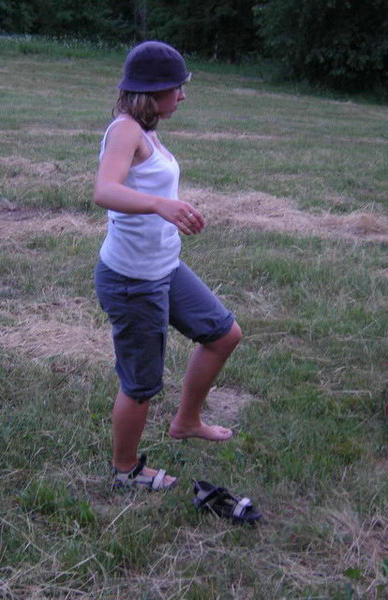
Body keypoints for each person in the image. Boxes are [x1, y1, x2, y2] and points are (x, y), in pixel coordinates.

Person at [94, 41, 243, 490]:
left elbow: (146, 185)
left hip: (165, 267)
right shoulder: (125, 130)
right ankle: (126, 471)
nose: (182, 95)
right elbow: (105, 190)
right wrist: (161, 205)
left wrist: (170, 206)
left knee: (224, 334)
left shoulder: (148, 130)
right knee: (140, 384)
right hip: (132, 280)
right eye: (177, 87)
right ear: (153, 90)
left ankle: (187, 421)